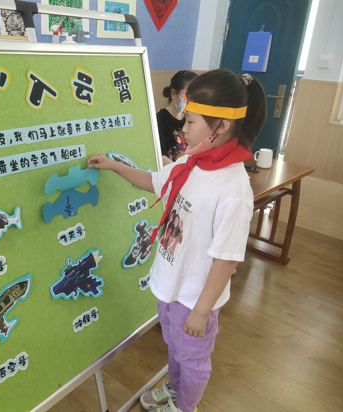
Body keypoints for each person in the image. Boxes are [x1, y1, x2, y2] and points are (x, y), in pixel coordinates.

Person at [87, 68, 267, 412]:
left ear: (222, 125)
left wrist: (201, 311)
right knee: (174, 348)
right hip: (171, 284)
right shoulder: (193, 162)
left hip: (195, 297)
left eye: (191, 121)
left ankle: (185, 406)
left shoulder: (233, 189)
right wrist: (114, 166)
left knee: (194, 360)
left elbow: (226, 259)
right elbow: (154, 181)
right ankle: (174, 389)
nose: (183, 128)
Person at [156, 70, 198, 164]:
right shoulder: (159, 121)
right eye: (188, 96)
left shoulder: (192, 119)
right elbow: (160, 158)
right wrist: (181, 170)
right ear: (174, 94)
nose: (193, 101)